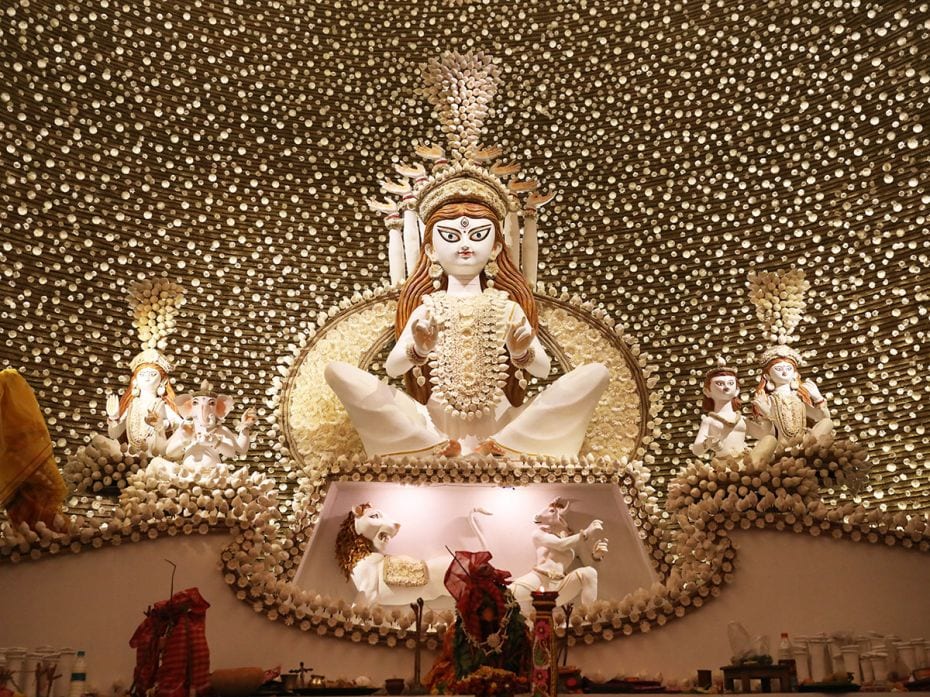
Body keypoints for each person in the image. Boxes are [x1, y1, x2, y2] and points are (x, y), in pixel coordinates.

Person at [325, 196, 609, 459]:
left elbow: (543, 370)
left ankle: (498, 447)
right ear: (431, 250)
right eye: (450, 236)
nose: (464, 245)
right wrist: (419, 350)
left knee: (594, 375)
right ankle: (436, 448)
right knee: (338, 372)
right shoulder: (427, 307)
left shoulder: (507, 306)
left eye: (477, 236)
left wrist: (521, 353)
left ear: (496, 247)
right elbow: (392, 368)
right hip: (431, 429)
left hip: (504, 431)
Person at [0, 368, 67, 527]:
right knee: (22, 507)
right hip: (13, 458)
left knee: (41, 503)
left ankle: (54, 538)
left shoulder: (9, 379)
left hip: (24, 451)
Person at [105, 348, 183, 456]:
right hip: (131, 453)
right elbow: (114, 435)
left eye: (152, 374)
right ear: (135, 380)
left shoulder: (162, 405)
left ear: (163, 381)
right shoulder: (132, 406)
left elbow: (184, 427)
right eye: (142, 374)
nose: (147, 378)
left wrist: (164, 424)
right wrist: (113, 418)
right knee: (98, 440)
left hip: (155, 453)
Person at [752, 348, 833, 447]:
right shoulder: (767, 400)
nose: (784, 373)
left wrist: (818, 398)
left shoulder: (799, 398)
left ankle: (808, 445)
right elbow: (766, 434)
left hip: (803, 446)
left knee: (827, 422)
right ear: (767, 376)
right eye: (778, 369)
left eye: (788, 368)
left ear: (795, 374)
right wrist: (767, 413)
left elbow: (823, 418)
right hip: (780, 447)